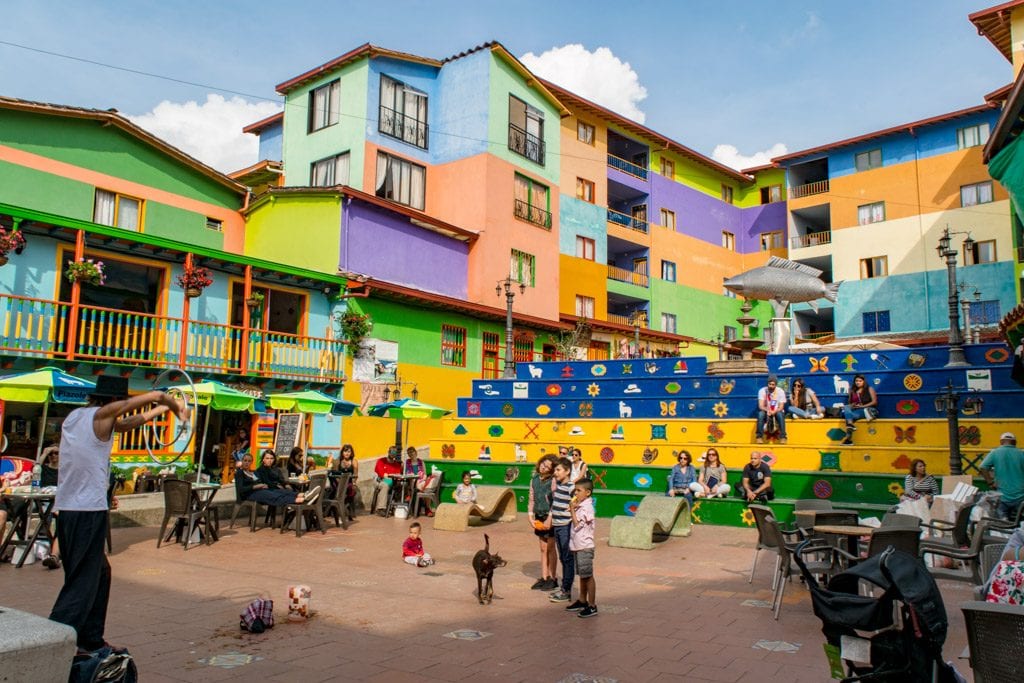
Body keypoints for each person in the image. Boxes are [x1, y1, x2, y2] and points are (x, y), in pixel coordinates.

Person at [49, 375, 189, 654]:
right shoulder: (102, 414)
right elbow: (138, 404)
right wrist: (169, 403)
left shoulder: (77, 417)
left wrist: (159, 413)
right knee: (83, 581)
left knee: (100, 573)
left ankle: (89, 638)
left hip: (69, 510)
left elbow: (127, 423)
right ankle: (53, 643)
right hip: (86, 511)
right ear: (112, 400)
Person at [234, 452, 320, 508]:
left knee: (279, 492)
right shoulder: (240, 473)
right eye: (245, 460)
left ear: (251, 462)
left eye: (249, 461)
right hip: (248, 495)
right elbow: (241, 489)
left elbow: (259, 482)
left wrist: (262, 485)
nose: (247, 462)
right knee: (274, 495)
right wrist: (256, 486)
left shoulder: (252, 473)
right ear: (242, 461)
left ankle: (305, 496)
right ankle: (303, 500)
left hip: (258, 491)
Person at [567, 478, 597, 617]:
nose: (576, 493)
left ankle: (592, 605)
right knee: (582, 575)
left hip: (585, 546)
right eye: (575, 490)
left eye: (579, 491)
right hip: (578, 546)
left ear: (588, 492)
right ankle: (582, 600)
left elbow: (577, 525)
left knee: (588, 576)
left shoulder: (587, 507)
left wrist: (572, 510)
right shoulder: (581, 505)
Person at [527, 454, 557, 591]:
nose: (543, 467)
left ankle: (553, 577)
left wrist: (550, 518)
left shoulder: (553, 481)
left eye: (547, 467)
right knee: (543, 548)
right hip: (539, 516)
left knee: (551, 548)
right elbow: (531, 499)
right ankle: (544, 577)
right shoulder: (534, 480)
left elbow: (555, 501)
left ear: (551, 470)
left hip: (550, 516)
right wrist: (530, 517)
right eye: (542, 464)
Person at [549, 457, 576, 604]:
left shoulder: (571, 486)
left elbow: (579, 499)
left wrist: (572, 507)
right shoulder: (560, 485)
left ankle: (566, 590)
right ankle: (564, 588)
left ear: (567, 471)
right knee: (563, 558)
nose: (555, 472)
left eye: (558, 470)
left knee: (567, 558)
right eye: (555, 470)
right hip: (558, 526)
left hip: (565, 526)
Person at [980, 432, 1024, 519]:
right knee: (1019, 523)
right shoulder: (1021, 453)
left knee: (1002, 523)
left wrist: (990, 482)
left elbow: (983, 467)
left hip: (1002, 495)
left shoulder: (995, 452)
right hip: (1021, 495)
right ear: (1014, 442)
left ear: (1001, 442)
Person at [842, 374, 878, 445]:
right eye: (856, 381)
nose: (858, 382)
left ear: (864, 381)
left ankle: (848, 439)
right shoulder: (852, 390)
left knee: (849, 417)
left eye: (860, 381)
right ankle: (850, 425)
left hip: (866, 410)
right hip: (856, 410)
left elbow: (874, 402)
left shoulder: (869, 389)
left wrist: (862, 406)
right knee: (846, 408)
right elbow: (850, 403)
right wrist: (853, 405)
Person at [371, 446, 403, 515]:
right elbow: (380, 473)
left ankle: (397, 507)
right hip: (379, 480)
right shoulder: (381, 461)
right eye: (392, 452)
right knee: (385, 485)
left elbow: (398, 475)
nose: (393, 454)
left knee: (403, 485)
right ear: (388, 452)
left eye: (395, 452)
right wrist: (386, 476)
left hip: (392, 481)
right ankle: (381, 509)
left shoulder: (397, 465)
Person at [755, 375, 787, 444]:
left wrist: (774, 411)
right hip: (767, 411)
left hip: (777, 411)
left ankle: (783, 437)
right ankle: (759, 437)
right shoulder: (762, 391)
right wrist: (768, 410)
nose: (771, 386)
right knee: (760, 414)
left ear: (776, 384)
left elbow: (781, 407)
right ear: (767, 383)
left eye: (773, 384)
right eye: (770, 384)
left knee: (780, 414)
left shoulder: (780, 391)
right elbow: (760, 406)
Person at [332, 444, 358, 520]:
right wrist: (341, 483)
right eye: (345, 451)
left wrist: (354, 483)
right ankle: (342, 513)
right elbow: (335, 475)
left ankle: (348, 512)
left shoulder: (354, 461)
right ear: (342, 452)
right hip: (339, 483)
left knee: (351, 488)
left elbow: (355, 475)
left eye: (349, 451)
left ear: (351, 453)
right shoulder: (338, 461)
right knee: (343, 490)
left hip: (349, 482)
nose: (347, 453)